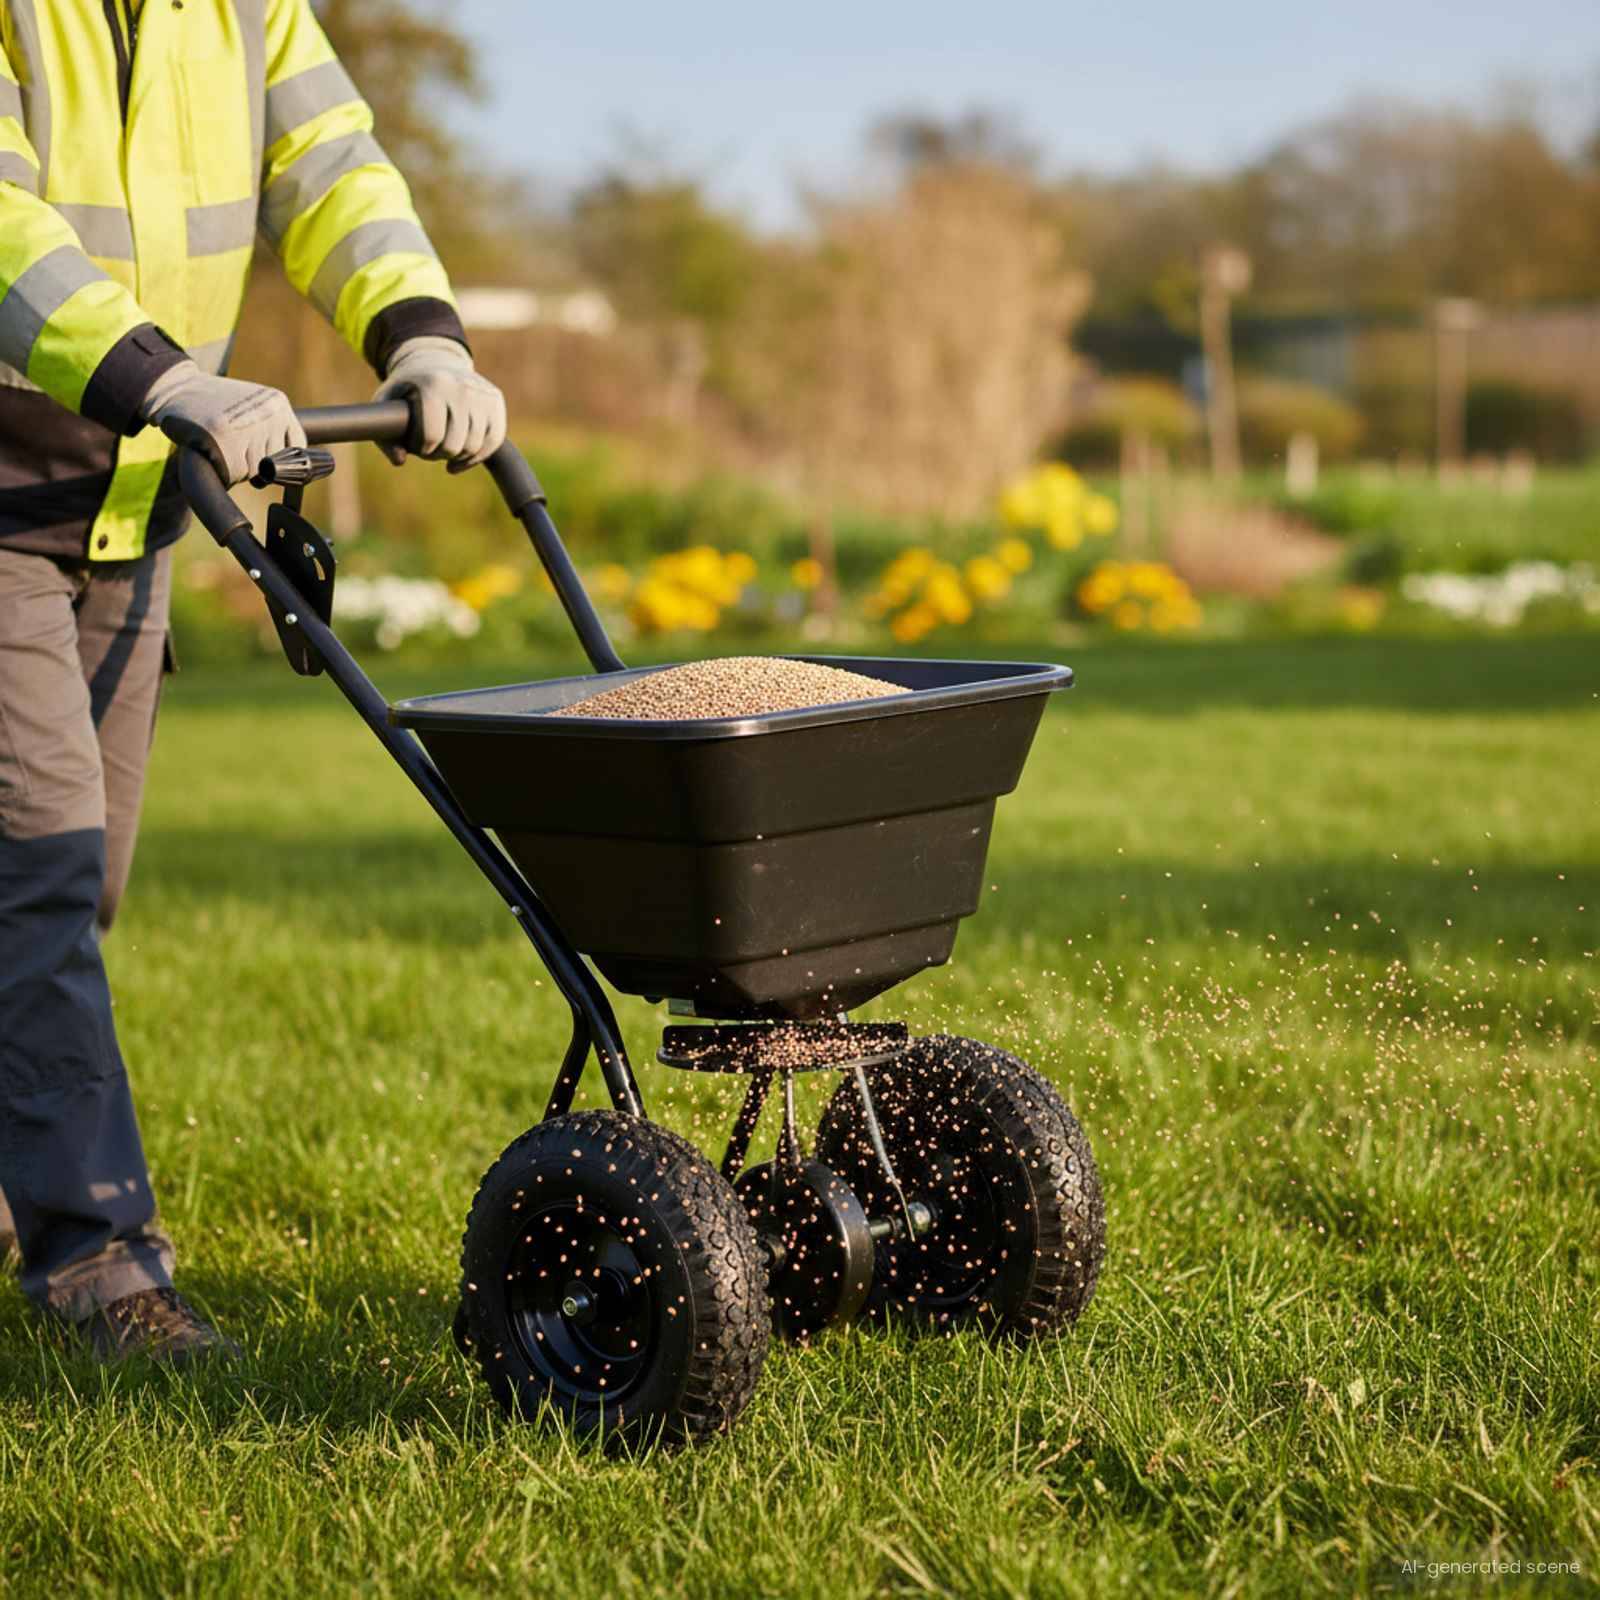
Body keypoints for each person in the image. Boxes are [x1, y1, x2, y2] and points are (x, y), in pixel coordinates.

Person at [0, 0, 507, 1363]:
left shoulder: (240, 9)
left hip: (129, 505)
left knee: (76, 881)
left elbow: (333, 165)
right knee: (35, 876)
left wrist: (421, 332)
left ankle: (21, 1163)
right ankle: (99, 1267)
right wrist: (163, 377)